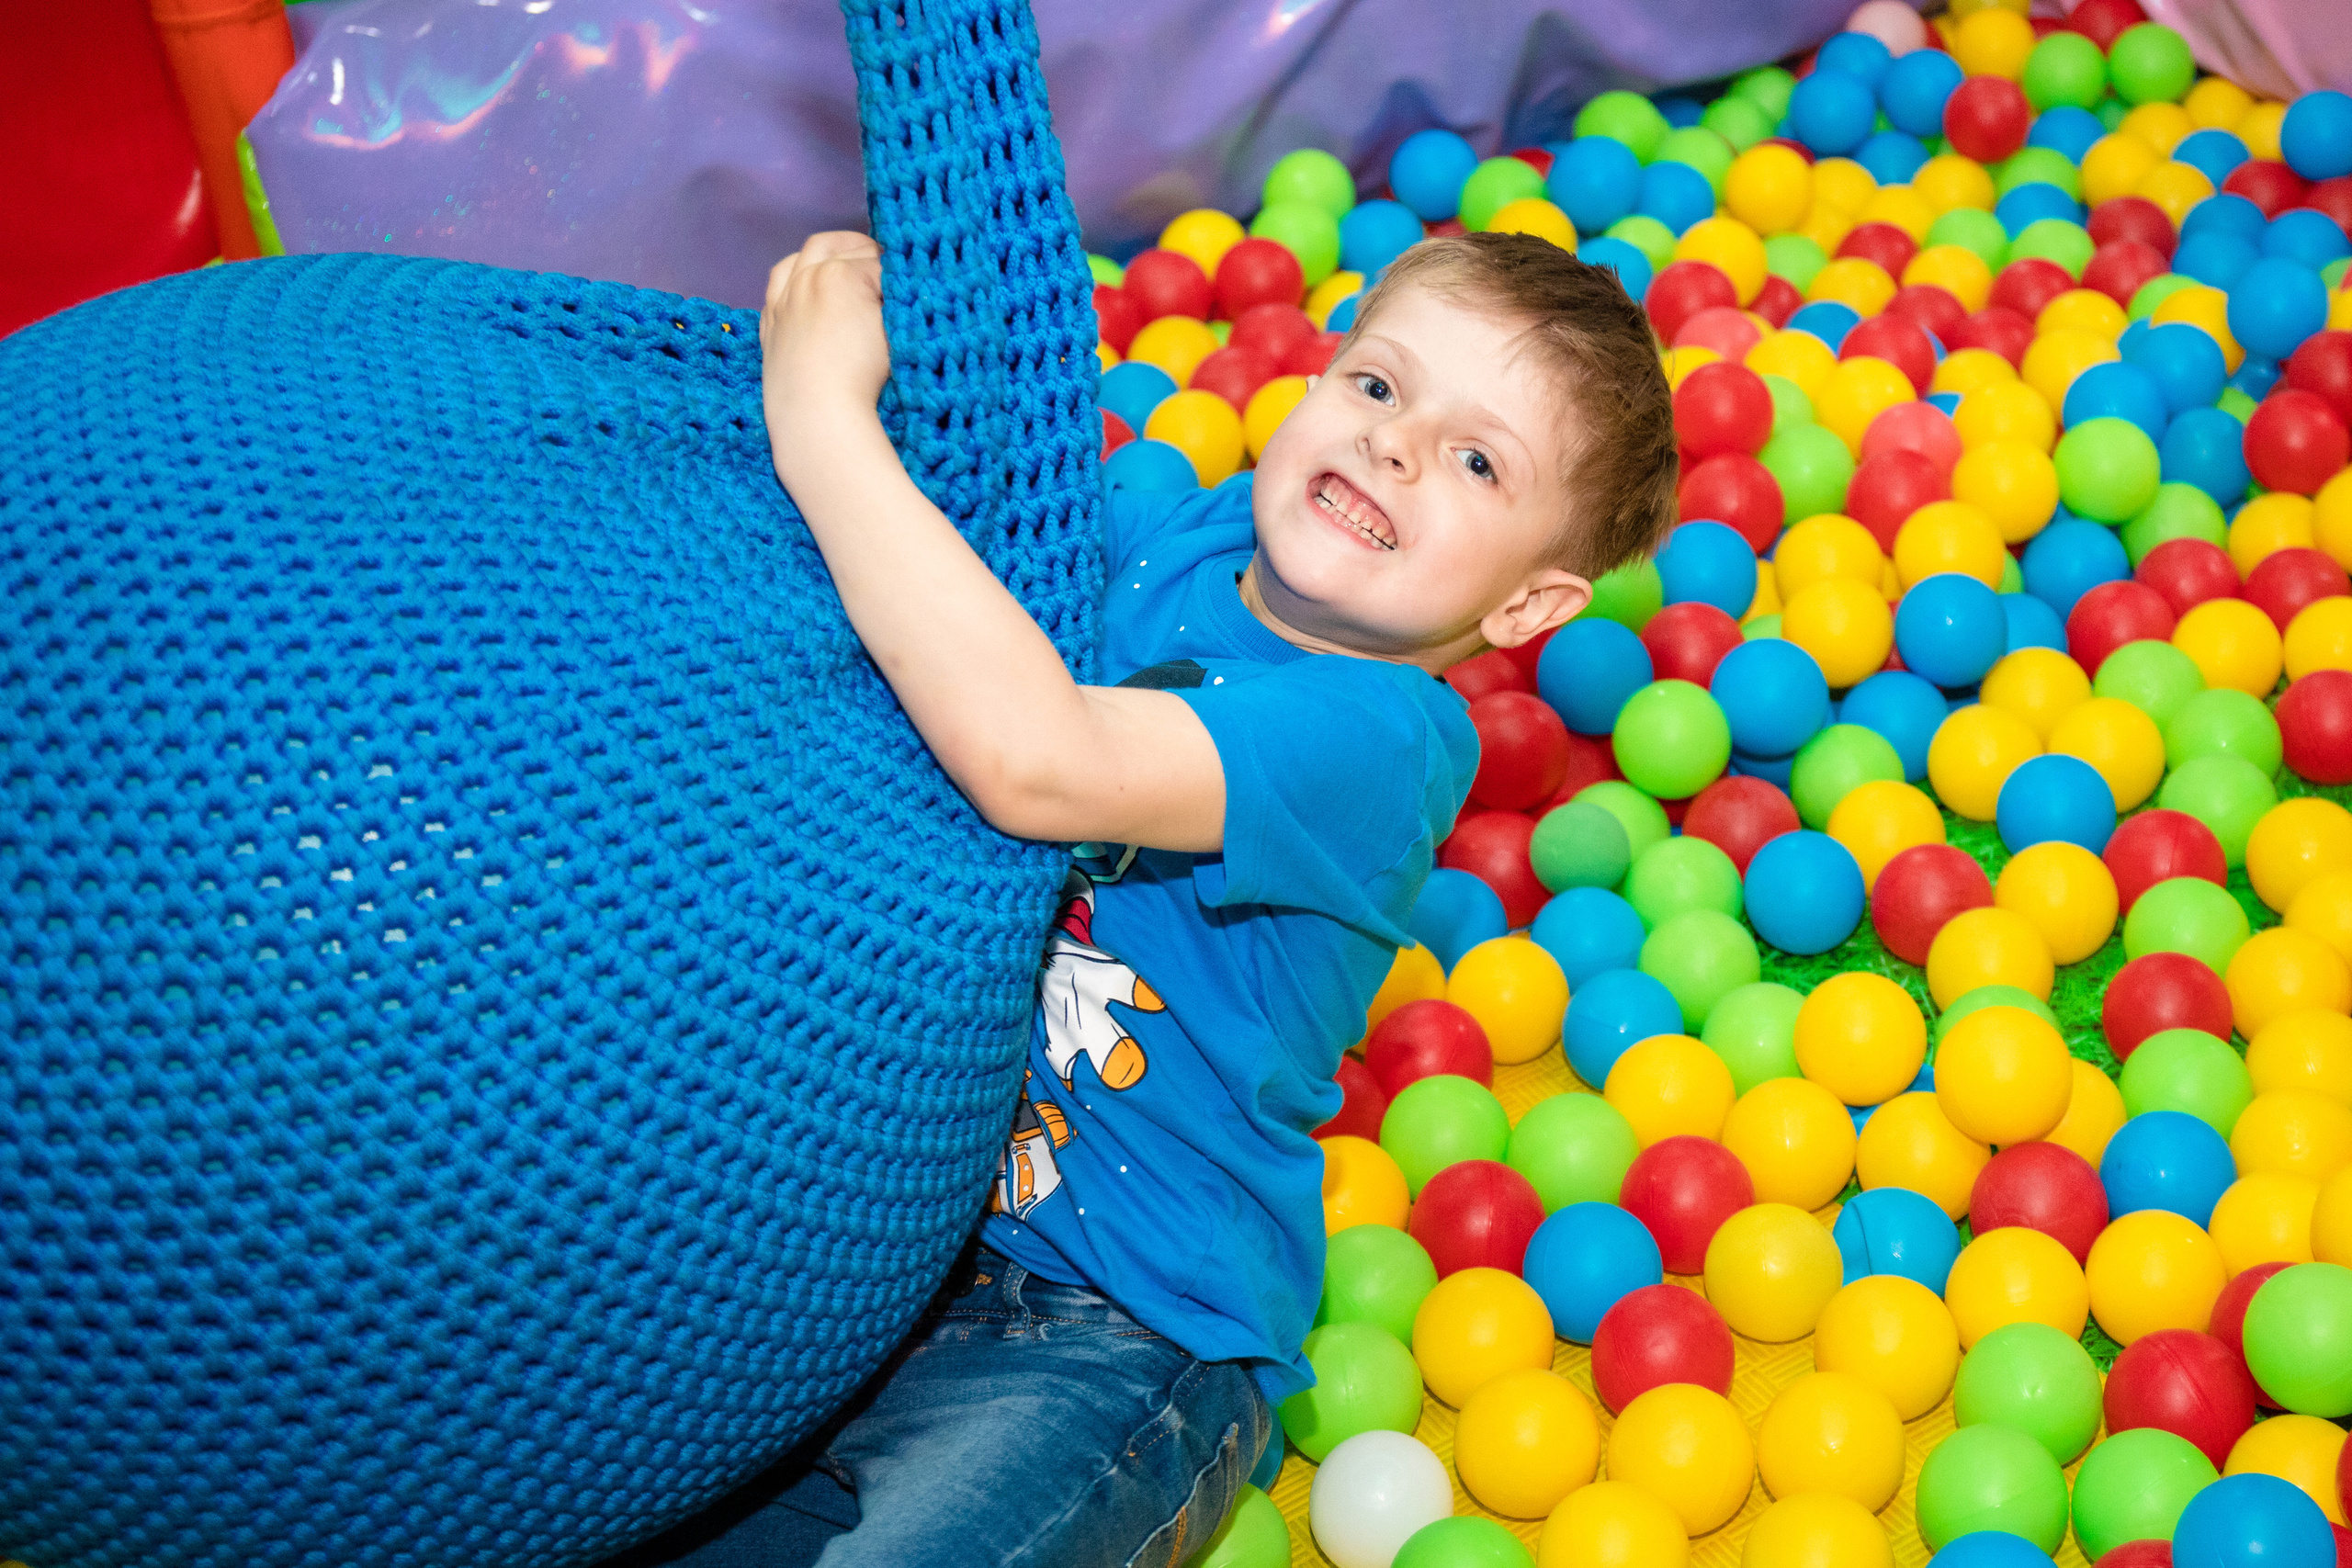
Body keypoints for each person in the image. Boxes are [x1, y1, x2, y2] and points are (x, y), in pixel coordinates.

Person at [615, 229, 1677, 1568]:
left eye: (1478, 462)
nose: (1397, 444)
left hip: (1125, 1330)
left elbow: (1039, 761)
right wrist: (891, 308)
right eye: (1378, 386)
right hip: (896, 1237)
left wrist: (821, 420)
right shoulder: (1184, 528)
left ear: (1529, 605)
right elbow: (975, 484)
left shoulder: (1382, 740)